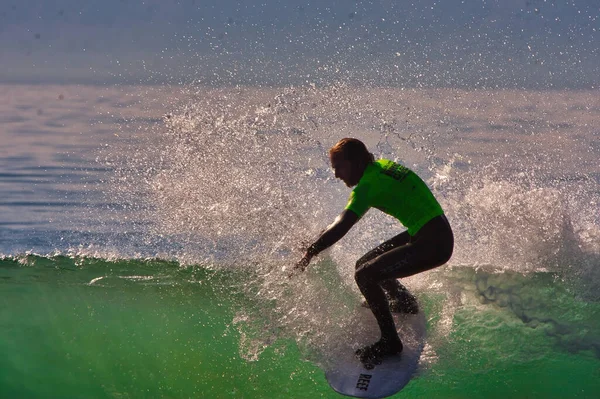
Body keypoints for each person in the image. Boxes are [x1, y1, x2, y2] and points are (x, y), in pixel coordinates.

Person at [294, 138, 454, 368]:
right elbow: (338, 222)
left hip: (433, 243)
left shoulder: (368, 185)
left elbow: (341, 226)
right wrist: (316, 241)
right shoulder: (381, 167)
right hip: (430, 231)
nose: (337, 174)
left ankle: (390, 342)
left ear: (356, 162)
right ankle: (403, 301)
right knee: (365, 264)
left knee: (366, 275)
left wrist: (310, 253)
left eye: (339, 166)